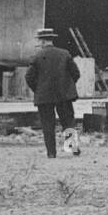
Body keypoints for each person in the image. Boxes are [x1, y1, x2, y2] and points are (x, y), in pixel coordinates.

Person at [25, 27, 82, 158]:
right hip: (64, 95)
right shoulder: (65, 54)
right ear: (51, 40)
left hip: (44, 97)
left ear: (43, 41)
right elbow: (76, 73)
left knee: (47, 124)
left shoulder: (36, 57)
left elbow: (29, 77)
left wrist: (38, 89)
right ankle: (72, 148)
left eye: (39, 41)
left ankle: (51, 153)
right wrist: (67, 86)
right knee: (68, 121)